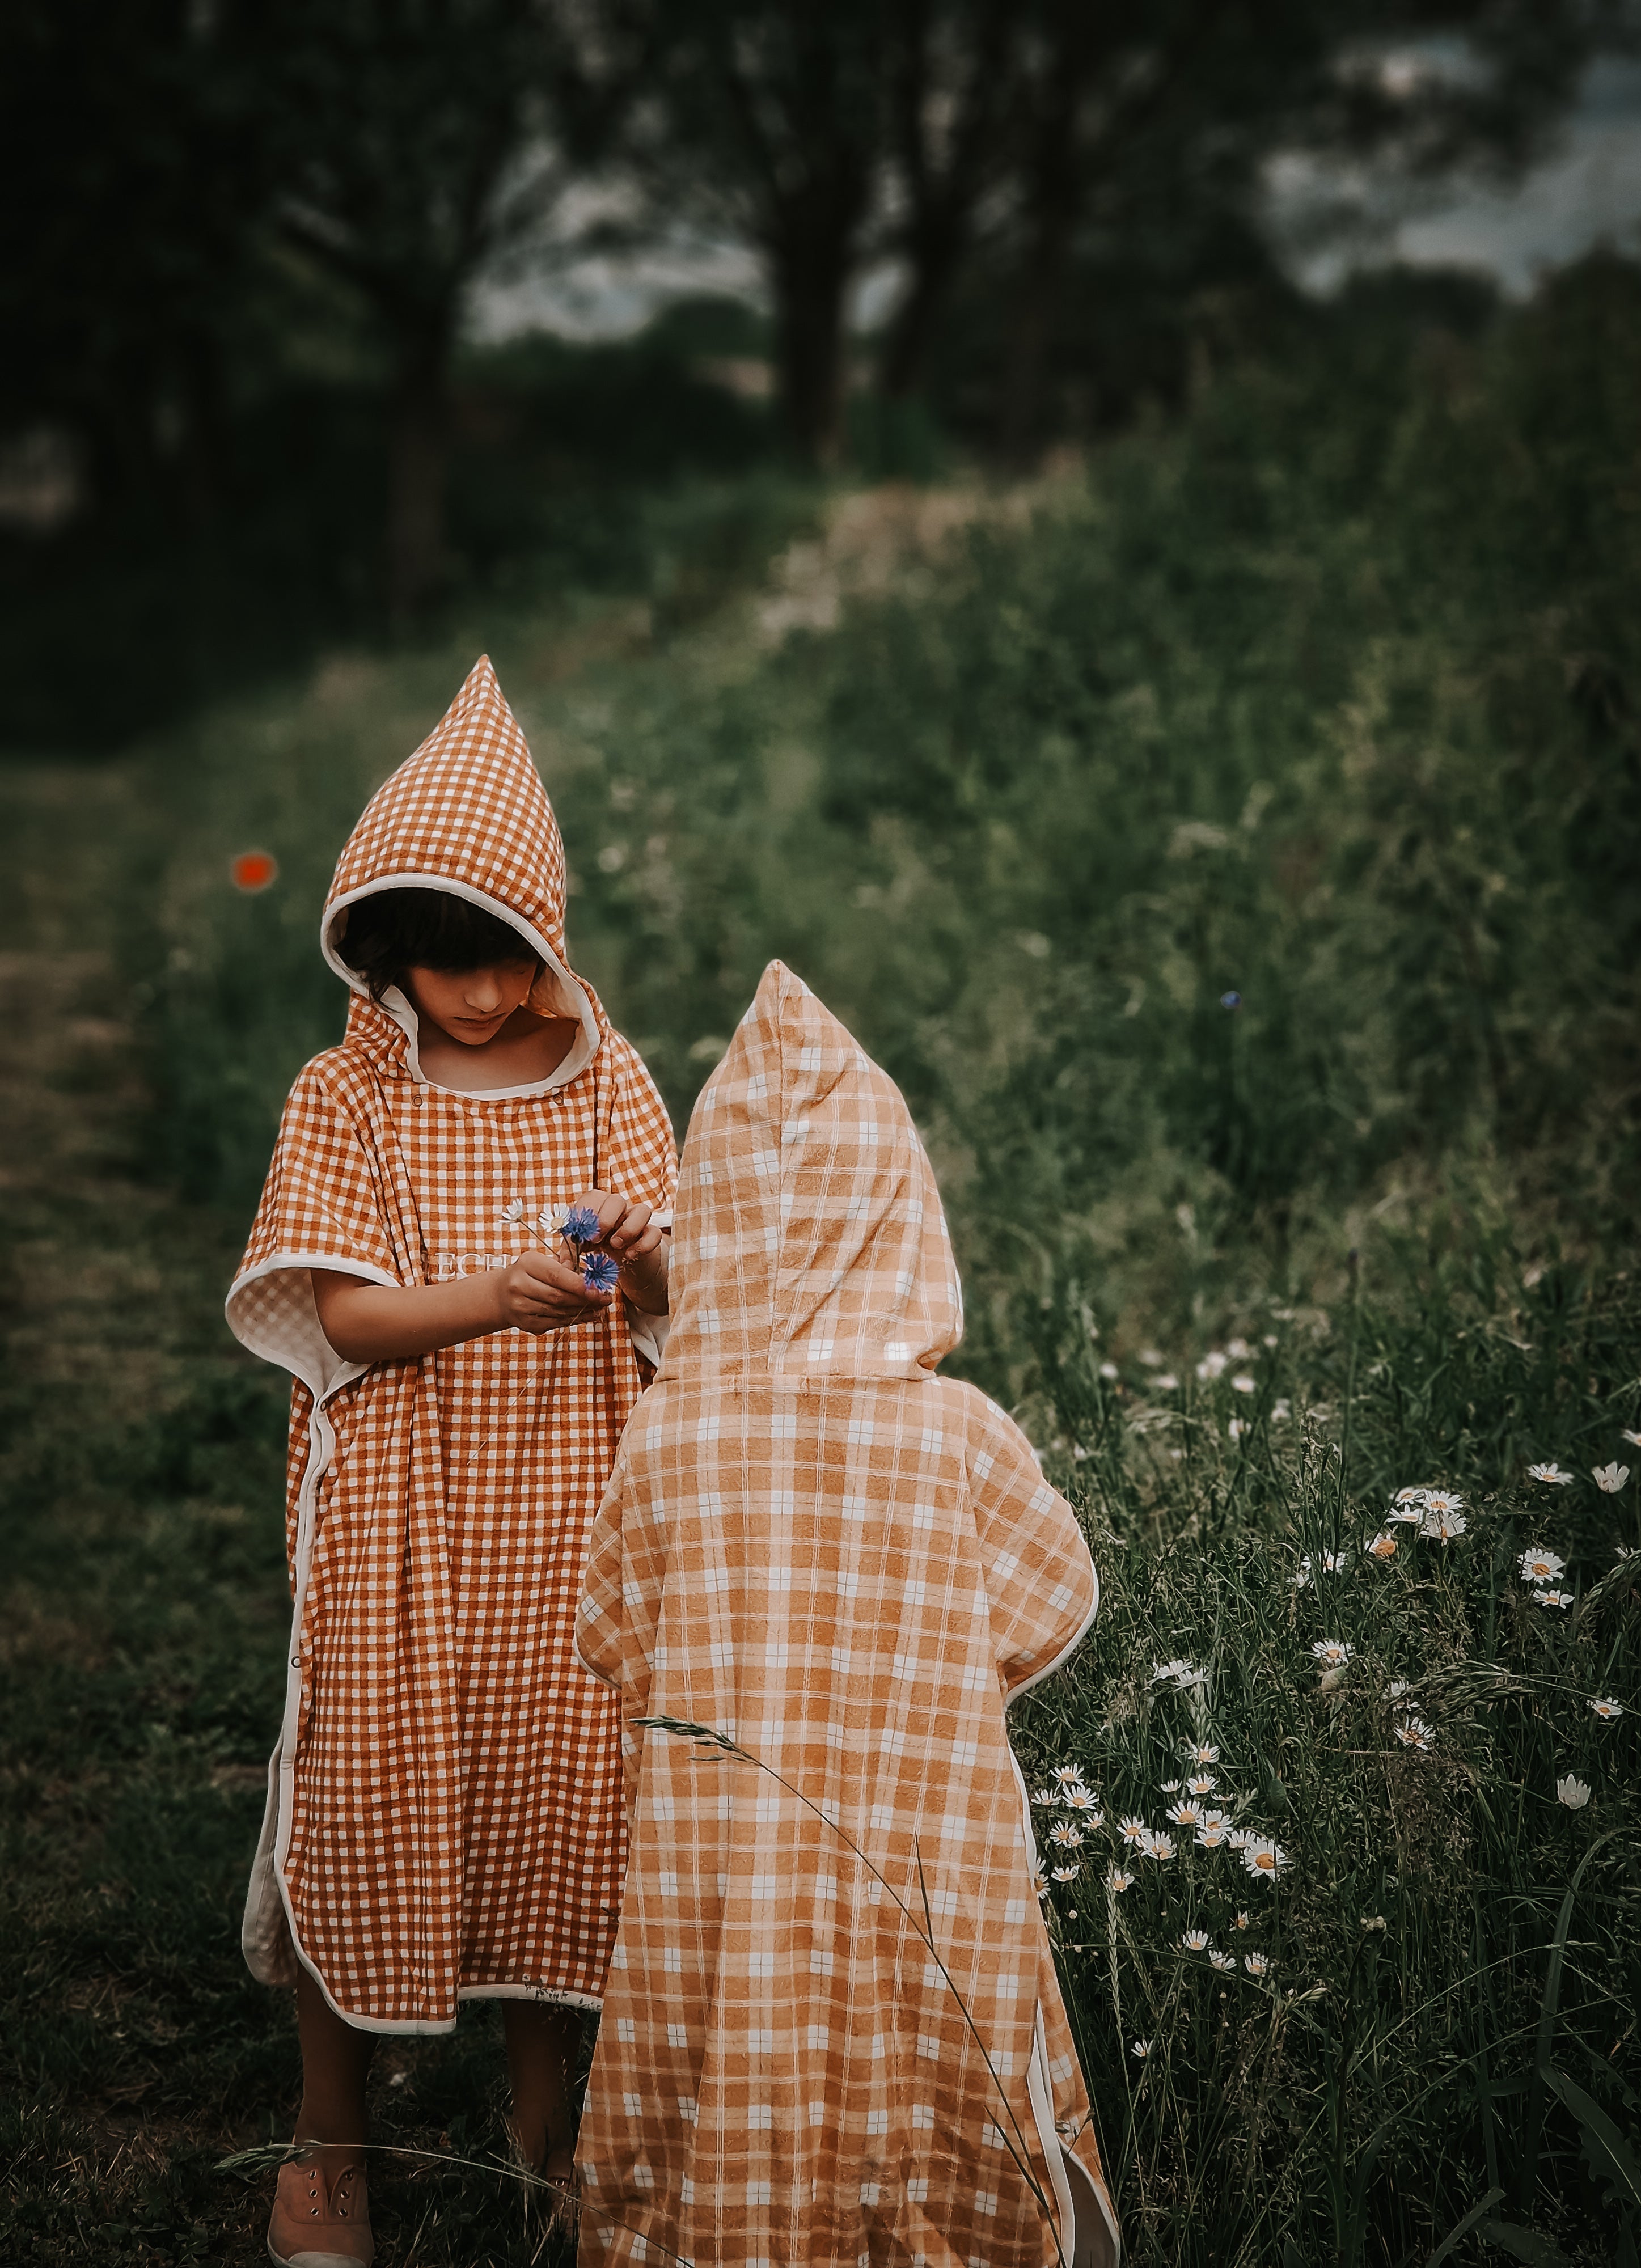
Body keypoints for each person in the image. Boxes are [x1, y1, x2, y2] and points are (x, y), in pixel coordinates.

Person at [226, 657, 676, 2268]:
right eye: (441, 966)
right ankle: (332, 2135)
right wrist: (498, 1293)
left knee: (563, 1794)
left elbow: (676, 1299)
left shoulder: (609, 1078)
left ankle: (548, 2137)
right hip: (401, 1510)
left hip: (570, 1500)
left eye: (505, 964)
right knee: (369, 1788)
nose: (476, 999)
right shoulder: (346, 1090)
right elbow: (331, 1310)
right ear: (385, 952)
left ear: (548, 944)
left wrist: (645, 1247)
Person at [573, 960, 1120, 2267]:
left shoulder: (668, 1434)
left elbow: (618, 1637)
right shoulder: (960, 1436)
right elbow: (1045, 1609)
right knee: (923, 2032)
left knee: (724, 2016)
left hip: (725, 1852)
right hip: (925, 1840)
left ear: (709, 1222)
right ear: (901, 1211)